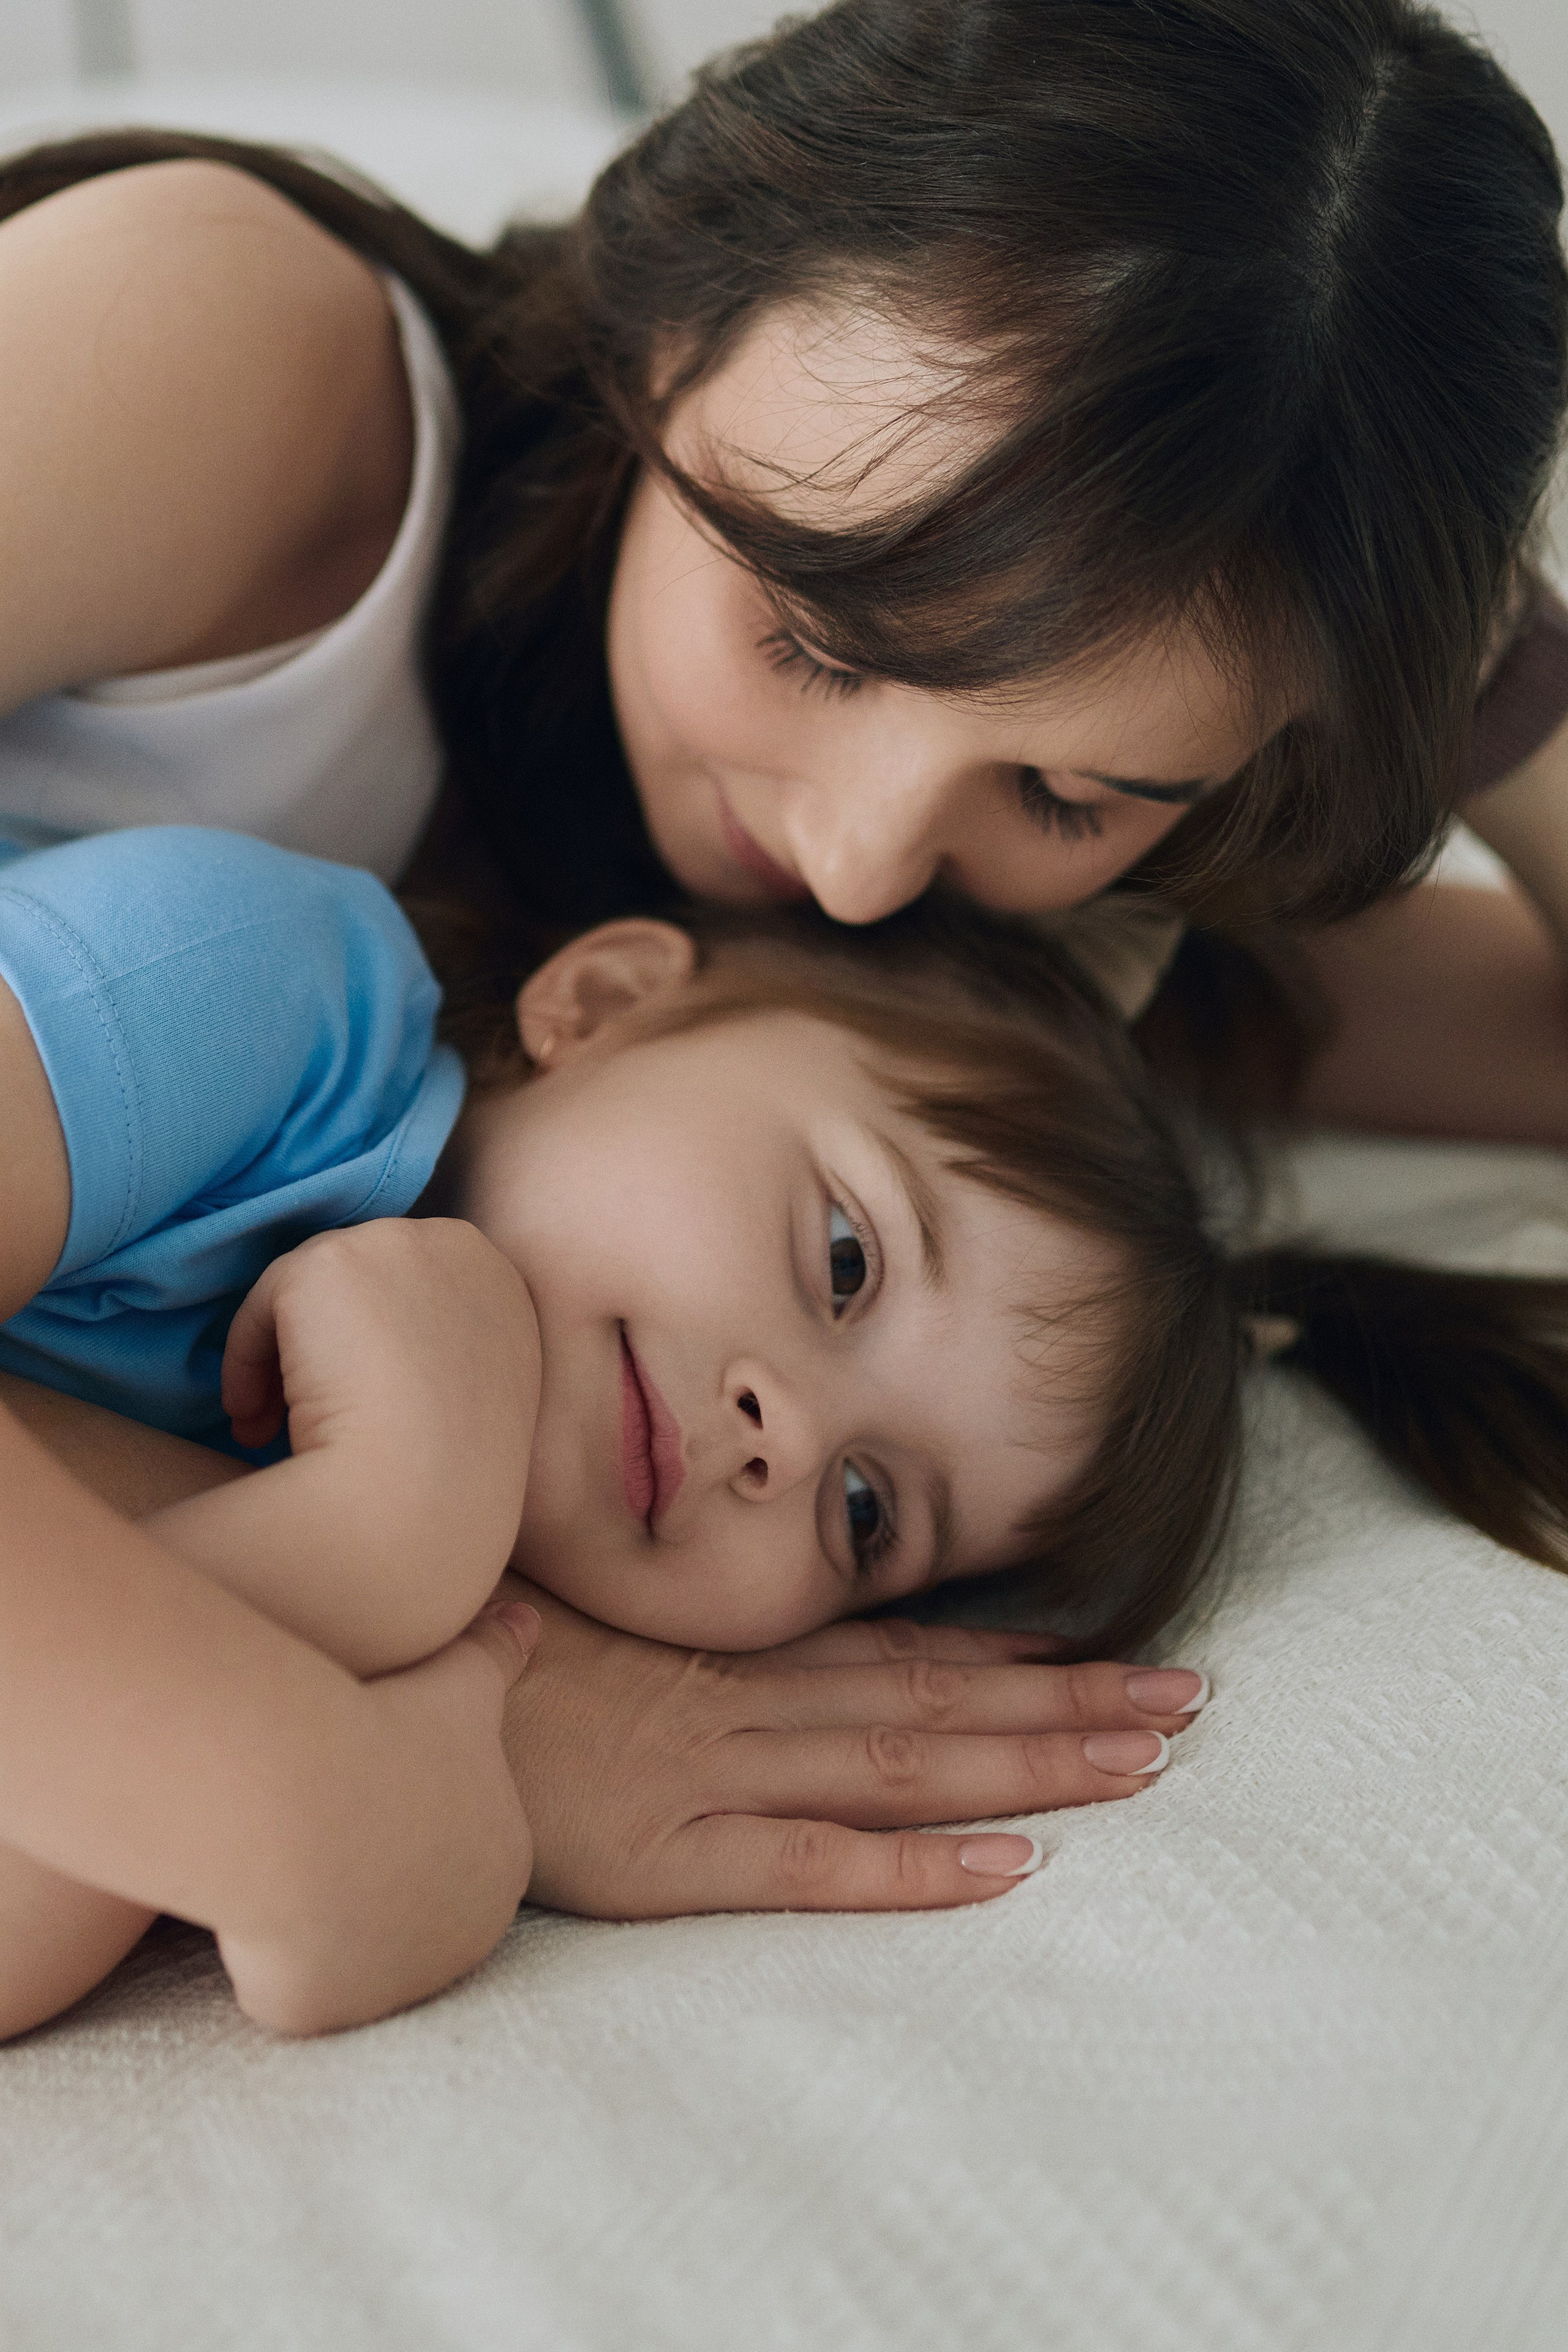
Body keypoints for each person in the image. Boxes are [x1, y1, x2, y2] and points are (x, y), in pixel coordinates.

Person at [0, 0, 1564, 1926]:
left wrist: (1468, 664)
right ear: (677, 312)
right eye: (820, 639)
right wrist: (474, 1685)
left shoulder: (910, 1017)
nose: (857, 862)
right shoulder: (242, 365)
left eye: (1069, 789)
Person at [4, 824, 1567, 2038]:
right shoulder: (262, 986)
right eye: (844, 1257)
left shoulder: (435, 1674)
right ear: (606, 1003)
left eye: (867, 1515)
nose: (789, 1438)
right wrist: (367, 1596)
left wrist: (371, 1574)